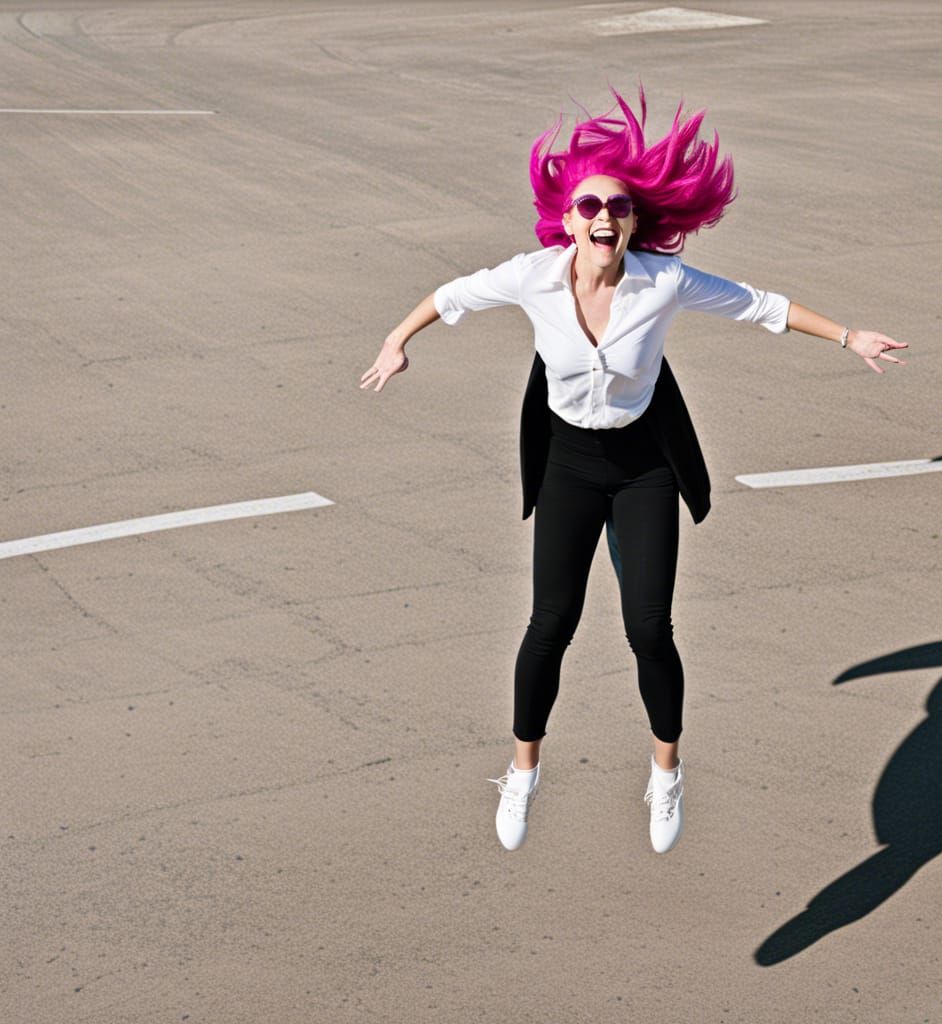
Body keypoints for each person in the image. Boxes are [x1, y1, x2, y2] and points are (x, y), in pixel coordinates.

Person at [360, 88, 907, 854]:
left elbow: (761, 306)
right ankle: (523, 770)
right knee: (550, 621)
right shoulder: (534, 276)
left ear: (636, 221)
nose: (604, 218)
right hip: (569, 466)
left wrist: (848, 336)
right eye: (590, 204)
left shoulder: (664, 283)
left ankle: (666, 771)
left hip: (644, 466)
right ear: (569, 216)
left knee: (649, 627)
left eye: (619, 207)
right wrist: (397, 339)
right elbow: (451, 297)